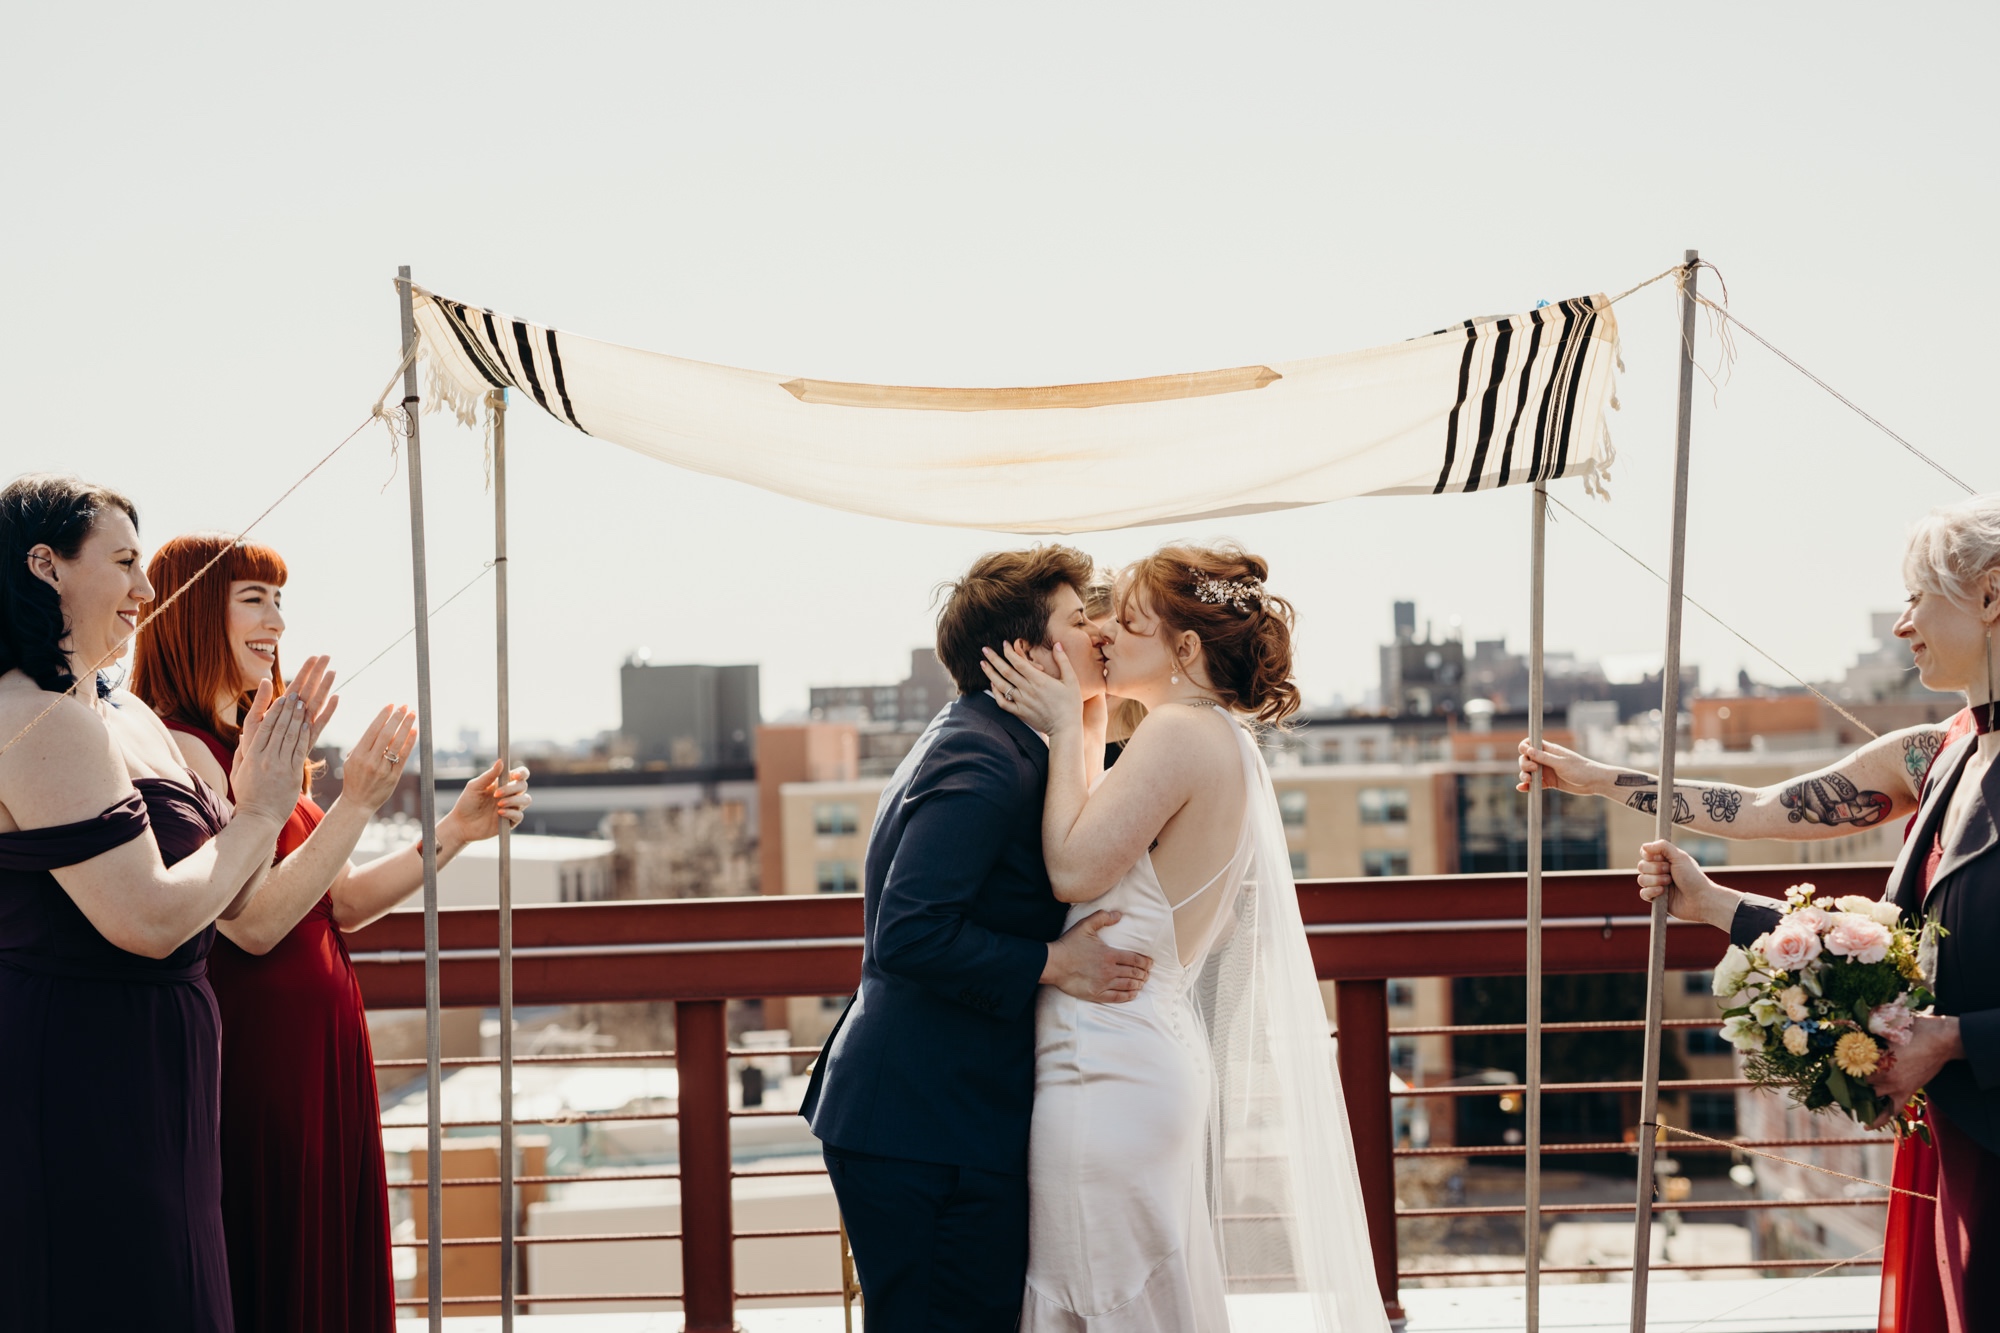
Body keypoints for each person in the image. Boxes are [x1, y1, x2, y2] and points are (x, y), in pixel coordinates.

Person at [127, 532, 532, 1333]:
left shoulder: (262, 745)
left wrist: (454, 829)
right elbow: (252, 923)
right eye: (253, 598)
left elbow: (337, 902)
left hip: (323, 1049)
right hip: (261, 1055)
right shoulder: (183, 747)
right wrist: (357, 801)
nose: (276, 619)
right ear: (196, 612)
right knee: (281, 1269)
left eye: (280, 600)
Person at [984, 542, 1388, 1333]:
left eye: (1127, 622)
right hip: (1136, 1057)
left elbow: (1071, 867)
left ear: (1186, 647)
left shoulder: (1177, 733)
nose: (1103, 634)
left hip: (1104, 1076)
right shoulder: (1219, 740)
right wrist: (1094, 714)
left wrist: (1069, 725)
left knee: (1105, 1296)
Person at [1628, 493, 2000, 1333]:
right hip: (1959, 1145)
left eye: (1918, 594)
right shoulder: (1946, 754)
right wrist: (1717, 904)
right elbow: (1890, 945)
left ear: (1990, 594)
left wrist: (1956, 1038)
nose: (1903, 623)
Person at [801, 545, 1154, 1333]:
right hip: (922, 1122)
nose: (1098, 630)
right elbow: (911, 933)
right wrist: (1057, 963)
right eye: (1076, 618)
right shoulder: (983, 758)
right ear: (1026, 652)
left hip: (941, 1114)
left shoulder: (1001, 737)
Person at [0, 474, 321, 1331]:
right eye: (126, 563)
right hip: (81, 1077)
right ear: (46, 566)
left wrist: (274, 801)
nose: (149, 590)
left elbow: (231, 890)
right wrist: (256, 809)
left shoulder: (121, 709)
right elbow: (146, 918)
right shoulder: (31, 714)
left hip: (158, 1083)